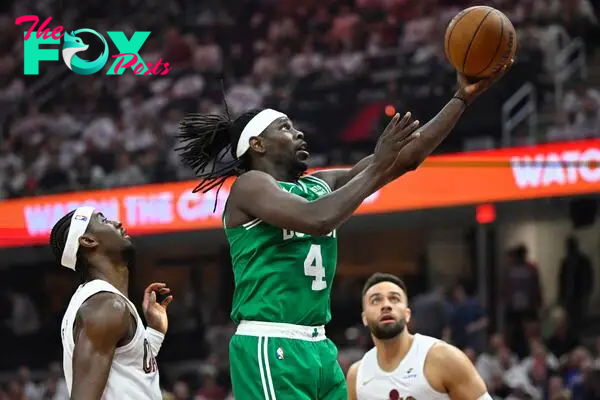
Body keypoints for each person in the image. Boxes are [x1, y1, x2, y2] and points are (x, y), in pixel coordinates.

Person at [176, 64, 510, 400]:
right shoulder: (251, 186)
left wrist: (461, 99)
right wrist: (378, 165)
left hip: (319, 345)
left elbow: (406, 158)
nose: (298, 133)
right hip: (269, 341)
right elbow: (319, 219)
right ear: (258, 145)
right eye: (286, 128)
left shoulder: (321, 184)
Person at [49, 206, 173, 399]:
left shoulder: (103, 302)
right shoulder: (105, 306)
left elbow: (130, 369)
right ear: (88, 240)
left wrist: (155, 331)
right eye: (104, 220)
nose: (117, 223)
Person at [347, 273, 490, 400]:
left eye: (394, 299)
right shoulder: (356, 375)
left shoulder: (443, 357)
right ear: (364, 318)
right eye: (376, 300)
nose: (386, 305)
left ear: (407, 314)